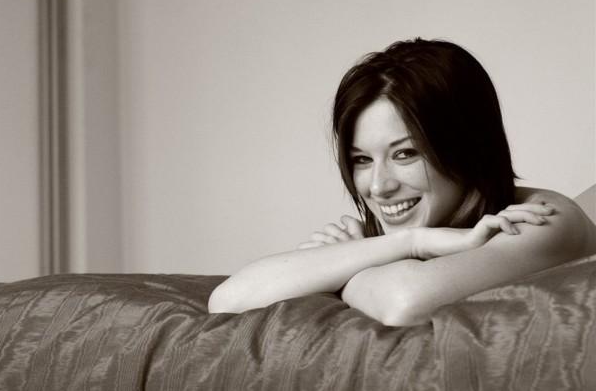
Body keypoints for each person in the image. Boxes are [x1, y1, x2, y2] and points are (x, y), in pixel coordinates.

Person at [207, 38, 596, 326]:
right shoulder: (404, 232)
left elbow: (404, 302)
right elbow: (229, 299)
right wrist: (409, 242)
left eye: (405, 153)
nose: (378, 187)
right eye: (362, 160)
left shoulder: (544, 220)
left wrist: (345, 269)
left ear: (467, 148)